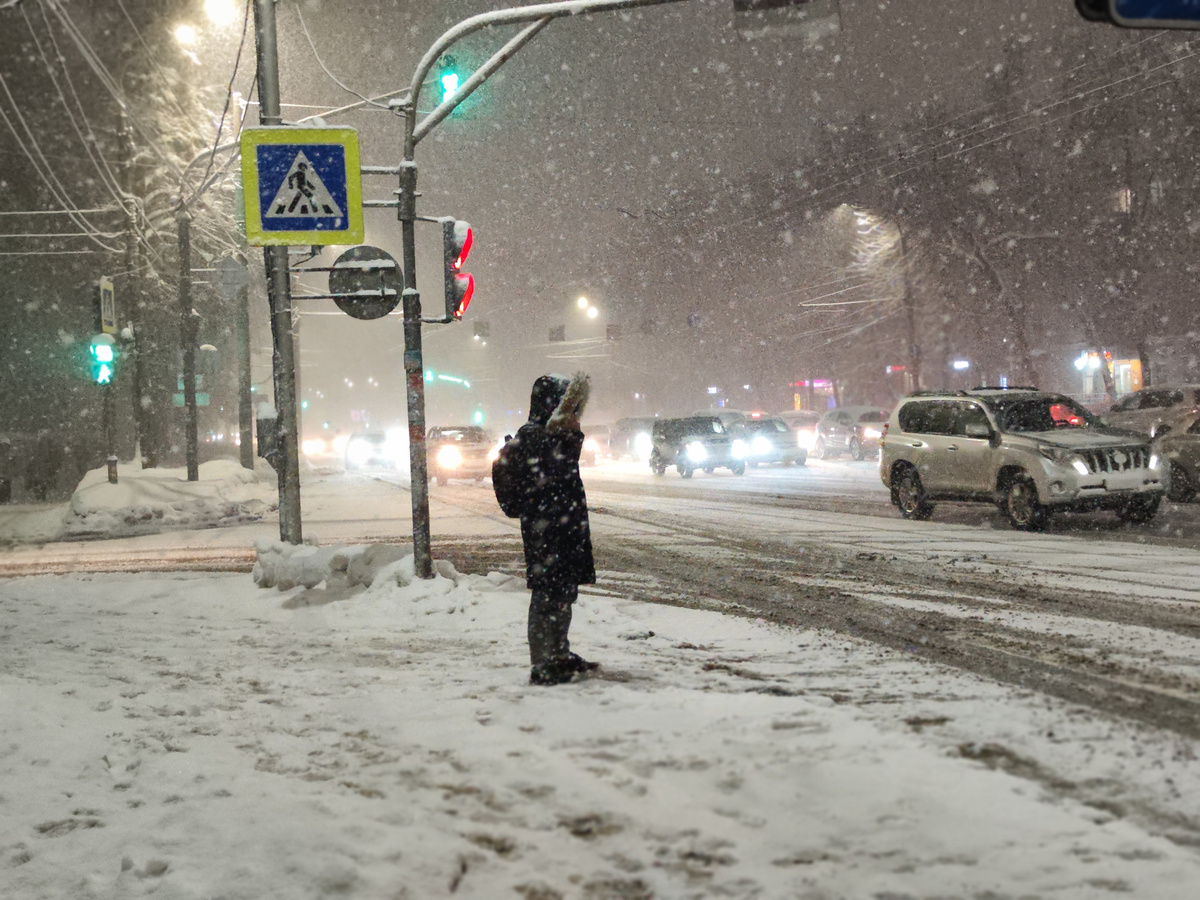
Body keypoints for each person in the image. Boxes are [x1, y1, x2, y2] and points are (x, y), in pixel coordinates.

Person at [517, 372, 599, 685]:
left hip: (564, 525)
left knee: (565, 592)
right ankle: (542, 663)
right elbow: (552, 474)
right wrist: (567, 435)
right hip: (546, 529)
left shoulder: (550, 432)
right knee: (546, 596)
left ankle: (559, 653)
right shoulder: (534, 434)